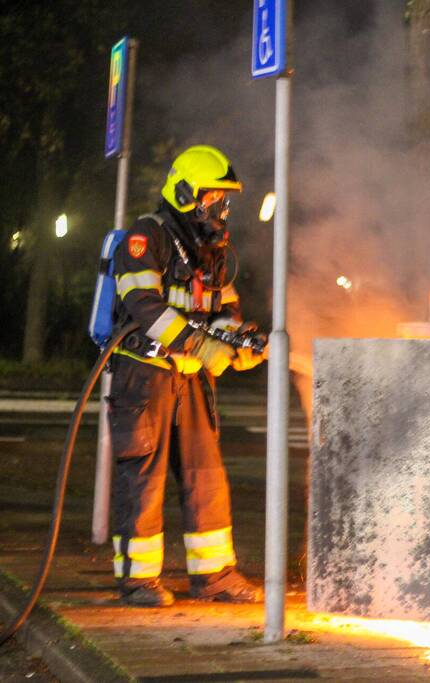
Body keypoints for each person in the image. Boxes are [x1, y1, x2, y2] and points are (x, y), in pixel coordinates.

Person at [108, 145, 265, 606]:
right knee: (143, 475)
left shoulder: (210, 250)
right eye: (212, 197)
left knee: (206, 474)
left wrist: (238, 343)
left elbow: (225, 310)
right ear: (184, 194)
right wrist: (200, 345)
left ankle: (214, 576)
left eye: (224, 199)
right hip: (145, 375)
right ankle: (138, 579)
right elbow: (143, 307)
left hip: (191, 380)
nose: (220, 207)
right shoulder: (146, 237)